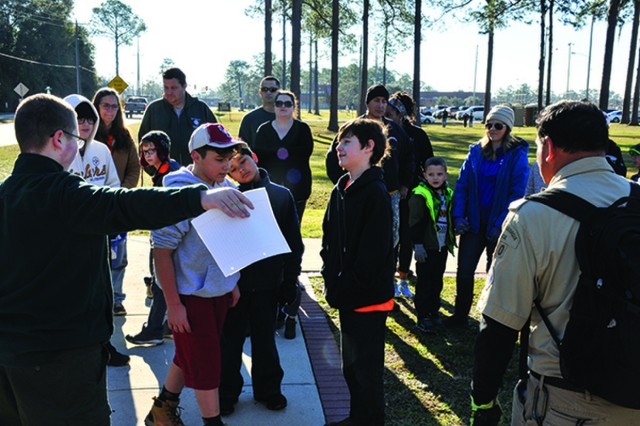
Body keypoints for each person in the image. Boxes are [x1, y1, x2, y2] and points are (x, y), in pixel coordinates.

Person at [0, 93, 252, 426]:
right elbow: (127, 204)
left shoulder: (6, 193)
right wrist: (200, 197)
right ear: (59, 139)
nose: (80, 146)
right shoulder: (66, 194)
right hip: (62, 358)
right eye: (77, 137)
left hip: (9, 356)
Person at [471, 100, 640, 425]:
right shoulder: (635, 200)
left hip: (564, 403)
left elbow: (499, 327)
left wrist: (483, 403)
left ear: (547, 148)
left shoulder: (532, 216)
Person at [145, 123, 248, 426]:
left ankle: (162, 412)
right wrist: (174, 305)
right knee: (206, 369)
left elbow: (226, 242)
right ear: (196, 156)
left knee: (189, 355)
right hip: (190, 297)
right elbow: (161, 252)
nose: (227, 165)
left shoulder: (223, 187)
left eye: (229, 158)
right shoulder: (177, 192)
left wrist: (232, 280)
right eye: (219, 159)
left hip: (217, 291)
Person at [321, 118, 395, 426]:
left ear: (368, 148)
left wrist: (346, 286)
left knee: (366, 370)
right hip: (346, 294)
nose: (338, 147)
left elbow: (372, 255)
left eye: (346, 142)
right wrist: (330, 277)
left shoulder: (375, 192)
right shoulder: (343, 187)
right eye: (339, 141)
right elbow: (328, 239)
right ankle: (358, 417)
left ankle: (369, 420)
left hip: (368, 297)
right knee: (350, 367)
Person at [219, 146, 304, 416]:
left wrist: (290, 279)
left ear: (254, 158)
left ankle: (269, 390)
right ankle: (226, 392)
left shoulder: (280, 196)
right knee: (230, 341)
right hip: (235, 285)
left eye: (242, 162)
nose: (240, 170)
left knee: (265, 339)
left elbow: (293, 243)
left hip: (269, 283)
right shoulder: (225, 199)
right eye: (232, 169)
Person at [325, 84, 414, 297]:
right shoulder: (354, 128)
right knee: (353, 238)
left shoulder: (394, 129)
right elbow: (332, 157)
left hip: (389, 193)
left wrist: (404, 185)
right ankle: (351, 276)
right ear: (368, 103)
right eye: (377, 101)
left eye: (384, 101)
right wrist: (345, 183)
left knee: (389, 240)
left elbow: (409, 157)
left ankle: (387, 279)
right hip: (355, 193)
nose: (381, 105)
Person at [63, 93, 131, 366]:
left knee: (102, 293)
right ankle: (75, 348)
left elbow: (112, 185)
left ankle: (104, 345)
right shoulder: (57, 151)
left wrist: (114, 222)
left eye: (90, 119)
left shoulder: (101, 151)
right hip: (69, 237)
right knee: (73, 295)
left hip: (99, 235)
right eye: (79, 119)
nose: (85, 125)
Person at [448, 105, 529, 328]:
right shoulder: (475, 152)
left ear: (508, 128)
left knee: (495, 275)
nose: (492, 129)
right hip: (473, 224)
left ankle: (490, 320)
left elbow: (517, 192)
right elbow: (462, 186)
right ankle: (460, 316)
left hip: (499, 226)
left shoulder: (516, 156)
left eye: (498, 125)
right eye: (489, 124)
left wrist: (500, 223)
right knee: (464, 271)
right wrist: (458, 216)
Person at [253, 90, 313, 338]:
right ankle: (272, 277)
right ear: (274, 106)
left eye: (288, 104)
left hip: (296, 192)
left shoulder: (303, 129)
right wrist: (282, 155)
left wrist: (278, 154)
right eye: (279, 103)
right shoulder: (263, 129)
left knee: (291, 238)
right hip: (269, 194)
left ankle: (290, 278)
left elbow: (302, 155)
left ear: (294, 106)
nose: (283, 107)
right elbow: (259, 157)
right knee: (270, 236)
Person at [125, 131, 181, 347]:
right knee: (162, 283)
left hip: (169, 237)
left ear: (163, 150)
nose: (148, 155)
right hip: (164, 233)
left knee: (161, 282)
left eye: (152, 150)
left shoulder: (170, 173)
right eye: (144, 151)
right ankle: (166, 326)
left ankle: (154, 328)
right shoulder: (161, 171)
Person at [93, 87, 141, 317]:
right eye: (105, 105)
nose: (110, 111)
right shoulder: (89, 136)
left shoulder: (124, 136)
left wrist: (123, 191)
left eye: (114, 106)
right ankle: (96, 297)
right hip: (93, 204)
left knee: (118, 255)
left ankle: (117, 299)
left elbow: (134, 169)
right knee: (94, 255)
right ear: (97, 107)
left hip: (118, 204)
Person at [386, 92, 434, 297]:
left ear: (402, 114)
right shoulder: (380, 130)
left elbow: (428, 162)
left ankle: (402, 278)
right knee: (389, 239)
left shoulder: (417, 135)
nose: (387, 116)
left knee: (406, 237)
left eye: (392, 113)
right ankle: (387, 279)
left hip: (410, 195)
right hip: (386, 193)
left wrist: (417, 186)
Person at [408, 157, 455, 334]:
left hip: (441, 246)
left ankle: (434, 312)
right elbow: (414, 222)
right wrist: (418, 245)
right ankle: (422, 316)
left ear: (445, 175)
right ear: (424, 175)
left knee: (437, 281)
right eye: (431, 174)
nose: (435, 178)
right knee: (424, 282)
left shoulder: (448, 193)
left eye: (439, 174)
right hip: (426, 247)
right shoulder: (420, 194)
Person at [139, 67, 218, 165]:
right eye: (166, 88)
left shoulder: (200, 108)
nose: (169, 92)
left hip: (196, 175)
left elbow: (217, 140)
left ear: (184, 86)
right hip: (163, 175)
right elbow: (142, 142)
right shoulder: (154, 109)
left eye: (173, 88)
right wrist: (154, 170)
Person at [238, 76, 279, 147]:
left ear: (278, 92)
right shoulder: (249, 119)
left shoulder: (287, 118)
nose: (268, 92)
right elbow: (242, 147)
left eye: (272, 89)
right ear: (260, 92)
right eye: (264, 89)